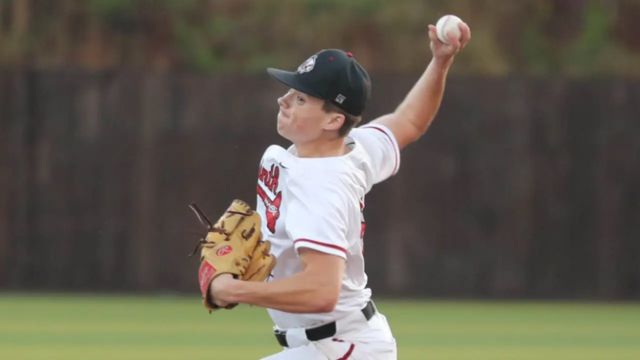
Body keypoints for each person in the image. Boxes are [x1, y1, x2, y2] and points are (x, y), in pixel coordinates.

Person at [209, 20, 471, 359]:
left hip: (341, 348)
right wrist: (440, 62)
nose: (283, 100)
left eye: (300, 98)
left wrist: (233, 290)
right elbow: (409, 121)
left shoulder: (320, 186)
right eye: (290, 91)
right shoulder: (351, 150)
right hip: (341, 344)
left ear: (333, 121)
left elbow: (322, 291)